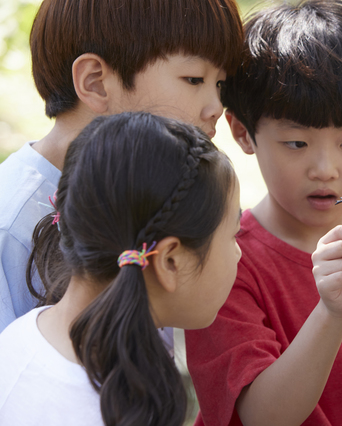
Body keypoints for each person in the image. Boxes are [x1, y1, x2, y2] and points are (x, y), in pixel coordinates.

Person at [185, 1, 342, 425]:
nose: (325, 169)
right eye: (297, 143)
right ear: (243, 132)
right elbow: (262, 417)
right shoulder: (223, 264)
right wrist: (331, 312)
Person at [0, 0, 243, 333]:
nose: (216, 107)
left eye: (220, 84)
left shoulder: (154, 191)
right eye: (194, 78)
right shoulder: (11, 223)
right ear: (96, 82)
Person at [0, 112, 241, 425]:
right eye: (233, 235)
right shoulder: (99, 412)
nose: (238, 253)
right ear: (170, 261)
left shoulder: (30, 333)